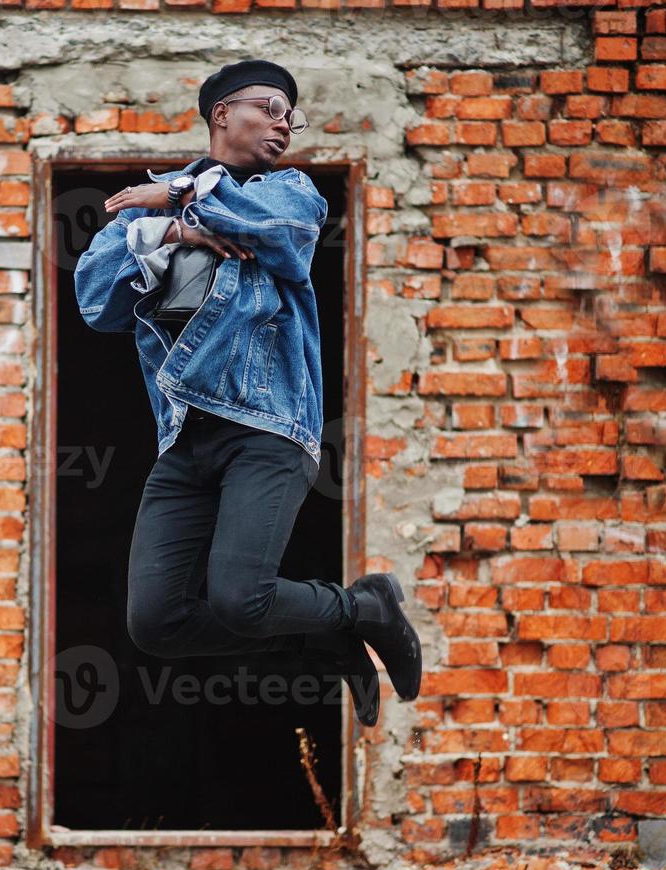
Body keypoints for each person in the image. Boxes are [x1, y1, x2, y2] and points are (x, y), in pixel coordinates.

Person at [72, 59, 421, 727]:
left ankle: (366, 607)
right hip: (183, 441)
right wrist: (174, 228)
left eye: (292, 114)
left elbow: (280, 236)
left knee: (239, 598)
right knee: (156, 621)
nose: (284, 122)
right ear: (222, 114)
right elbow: (95, 298)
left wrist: (176, 200)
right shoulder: (151, 213)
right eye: (269, 107)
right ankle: (327, 632)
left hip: (264, 430)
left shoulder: (287, 193)